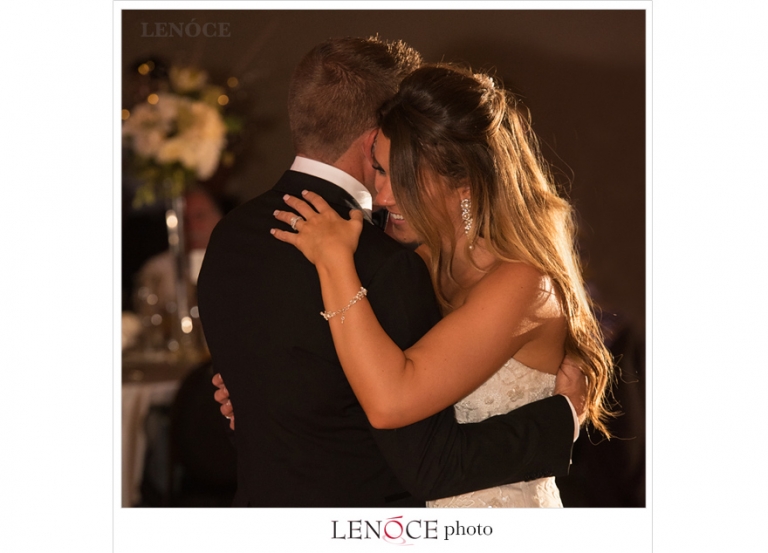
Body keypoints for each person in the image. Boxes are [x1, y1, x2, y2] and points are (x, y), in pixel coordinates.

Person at [197, 37, 584, 508]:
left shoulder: (520, 282)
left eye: (401, 172)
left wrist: (565, 419)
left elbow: (393, 408)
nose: (381, 196)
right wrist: (262, 398)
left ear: (461, 181)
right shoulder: (412, 261)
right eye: (379, 169)